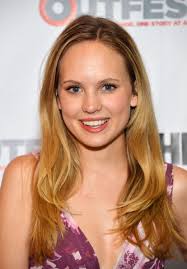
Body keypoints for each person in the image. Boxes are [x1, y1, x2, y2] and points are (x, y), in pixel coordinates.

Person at [0, 15, 187, 269]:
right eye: (74, 89)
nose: (91, 106)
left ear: (135, 93)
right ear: (56, 98)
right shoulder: (26, 181)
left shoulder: (173, 189)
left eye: (108, 87)